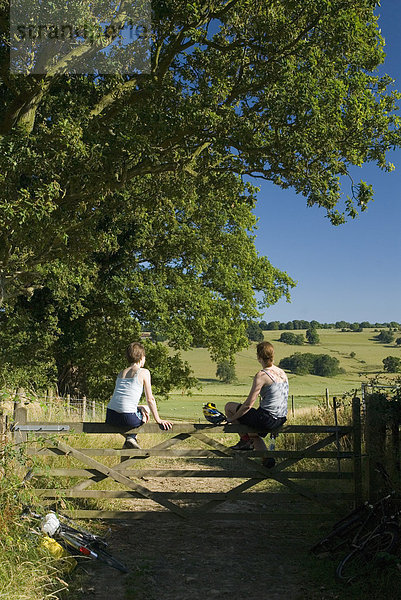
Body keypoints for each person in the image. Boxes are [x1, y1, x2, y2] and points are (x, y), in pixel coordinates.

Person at [224, 341, 288, 457]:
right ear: (272, 355)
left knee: (229, 407)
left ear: (258, 357)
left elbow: (248, 404)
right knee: (252, 433)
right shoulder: (282, 373)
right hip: (281, 419)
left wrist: (232, 418)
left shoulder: (262, 375)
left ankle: (244, 441)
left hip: (267, 419)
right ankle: (267, 461)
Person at [106, 342, 173, 448]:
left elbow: (122, 399)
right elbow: (150, 399)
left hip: (110, 416)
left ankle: (129, 441)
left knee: (141, 408)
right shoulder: (144, 372)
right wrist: (158, 419)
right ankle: (131, 437)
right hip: (127, 418)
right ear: (142, 357)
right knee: (146, 409)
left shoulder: (121, 373)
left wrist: (139, 406)